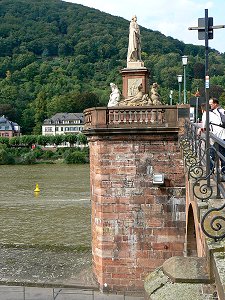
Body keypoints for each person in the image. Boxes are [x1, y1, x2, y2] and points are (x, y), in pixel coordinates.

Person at [198, 99, 225, 175]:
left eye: (211, 104)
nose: (210, 105)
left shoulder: (207, 113)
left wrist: (200, 129)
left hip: (216, 136)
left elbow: (204, 126)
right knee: (222, 154)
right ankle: (223, 172)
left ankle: (210, 171)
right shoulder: (220, 111)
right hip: (223, 135)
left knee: (211, 153)